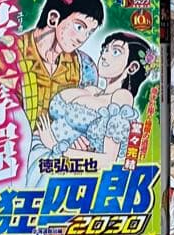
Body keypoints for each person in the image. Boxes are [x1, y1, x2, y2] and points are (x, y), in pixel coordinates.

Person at [28, 31, 152, 186]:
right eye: (105, 49)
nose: (104, 56)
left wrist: (54, 145)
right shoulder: (92, 89)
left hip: (58, 164)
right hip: (35, 151)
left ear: (132, 67)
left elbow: (108, 160)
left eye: (115, 52)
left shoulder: (122, 97)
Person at [0, 0, 104, 128]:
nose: (82, 39)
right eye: (79, 27)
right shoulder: (6, 53)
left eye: (89, 33)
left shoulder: (81, 65)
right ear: (53, 19)